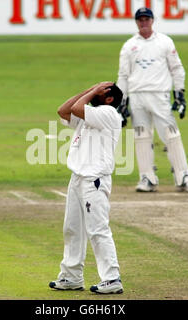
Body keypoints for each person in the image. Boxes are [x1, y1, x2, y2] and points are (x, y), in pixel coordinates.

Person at [49, 82, 124, 294]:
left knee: (98, 229)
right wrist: (91, 89)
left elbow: (76, 109)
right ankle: (72, 276)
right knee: (72, 228)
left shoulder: (108, 113)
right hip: (78, 177)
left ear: (109, 99)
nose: (95, 94)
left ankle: (112, 278)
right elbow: (63, 110)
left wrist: (92, 92)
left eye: (101, 92)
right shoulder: (90, 113)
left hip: (95, 179)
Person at [117, 7, 188, 193]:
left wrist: (179, 93)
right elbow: (123, 75)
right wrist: (121, 102)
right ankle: (146, 178)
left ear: (152, 21)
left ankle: (183, 176)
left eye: (147, 19)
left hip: (159, 95)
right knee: (142, 136)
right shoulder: (129, 45)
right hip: (137, 96)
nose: (144, 22)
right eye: (140, 20)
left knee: (171, 135)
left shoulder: (165, 42)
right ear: (136, 22)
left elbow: (177, 68)